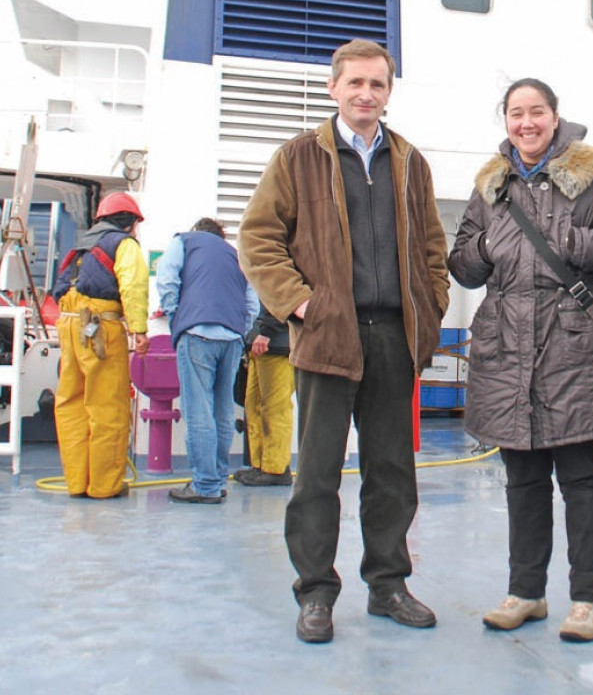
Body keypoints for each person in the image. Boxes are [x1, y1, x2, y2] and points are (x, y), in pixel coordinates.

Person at [239, 38, 450, 644]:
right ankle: (315, 594)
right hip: (328, 336)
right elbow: (258, 239)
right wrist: (303, 303)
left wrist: (431, 307)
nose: (366, 94)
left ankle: (388, 586)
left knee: (392, 471)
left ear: (388, 92)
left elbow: (432, 248)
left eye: (377, 84)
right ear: (334, 88)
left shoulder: (410, 162)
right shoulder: (297, 158)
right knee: (317, 475)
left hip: (393, 338)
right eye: (354, 83)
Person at [448, 78, 593, 643]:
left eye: (537, 112)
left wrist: (568, 240)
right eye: (516, 113)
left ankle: (589, 598)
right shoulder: (490, 187)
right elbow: (463, 266)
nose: (527, 123)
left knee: (583, 476)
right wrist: (488, 247)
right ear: (505, 121)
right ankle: (526, 591)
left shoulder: (592, 177)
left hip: (573, 343)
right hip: (507, 346)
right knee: (523, 477)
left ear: (555, 118)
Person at [52, 191, 150, 499]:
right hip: (99, 329)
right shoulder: (124, 244)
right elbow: (133, 284)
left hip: (69, 325)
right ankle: (104, 486)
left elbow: (59, 288)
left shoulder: (82, 246)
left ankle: (77, 482)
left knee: (72, 405)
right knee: (107, 407)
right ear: (131, 223)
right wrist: (139, 330)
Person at [156, 217, 259, 505]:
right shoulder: (236, 254)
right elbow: (252, 302)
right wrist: (240, 330)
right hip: (232, 338)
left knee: (198, 409)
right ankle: (216, 479)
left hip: (197, 334)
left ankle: (205, 485)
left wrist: (177, 317)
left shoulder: (183, 241)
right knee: (223, 409)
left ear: (196, 231)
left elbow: (167, 278)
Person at [235, 301, 295, 486]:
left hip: (276, 342)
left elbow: (283, 297)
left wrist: (268, 332)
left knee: (274, 408)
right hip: (262, 340)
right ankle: (261, 465)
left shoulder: (278, 271)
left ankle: (276, 468)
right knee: (254, 405)